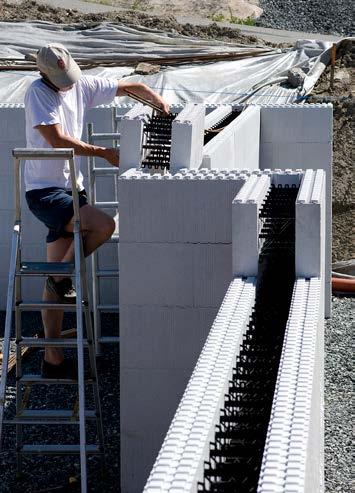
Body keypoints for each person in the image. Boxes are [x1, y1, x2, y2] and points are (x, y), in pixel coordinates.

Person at [24, 43, 169, 379]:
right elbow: (57, 139)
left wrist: (153, 97)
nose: (67, 83)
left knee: (57, 273)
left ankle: (52, 360)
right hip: (45, 192)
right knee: (103, 226)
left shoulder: (80, 84)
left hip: (71, 190)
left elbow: (127, 86)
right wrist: (103, 152)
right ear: (43, 73)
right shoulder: (38, 94)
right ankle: (62, 278)